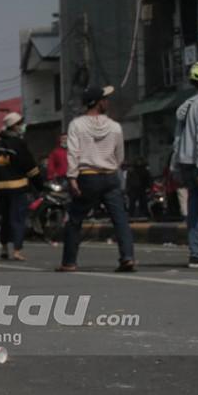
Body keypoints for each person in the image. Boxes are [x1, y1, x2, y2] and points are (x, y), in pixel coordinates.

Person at [58, 85, 135, 272]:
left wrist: (72, 178)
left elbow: (73, 153)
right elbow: (120, 157)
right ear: (99, 103)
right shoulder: (115, 127)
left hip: (87, 178)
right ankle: (127, 257)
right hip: (110, 177)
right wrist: (111, 167)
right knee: (120, 220)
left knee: (75, 220)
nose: (107, 102)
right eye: (105, 99)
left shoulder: (77, 125)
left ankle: (69, 262)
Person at [0, 112, 43, 261]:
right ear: (14, 126)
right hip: (18, 188)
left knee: (5, 219)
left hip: (1, 189)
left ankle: (5, 249)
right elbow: (31, 167)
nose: (22, 127)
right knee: (17, 219)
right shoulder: (19, 144)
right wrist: (40, 185)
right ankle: (17, 250)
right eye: (20, 124)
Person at [170, 59, 198, 269]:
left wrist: (175, 167)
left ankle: (196, 254)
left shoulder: (188, 104)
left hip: (187, 164)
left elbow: (178, 139)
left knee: (194, 211)